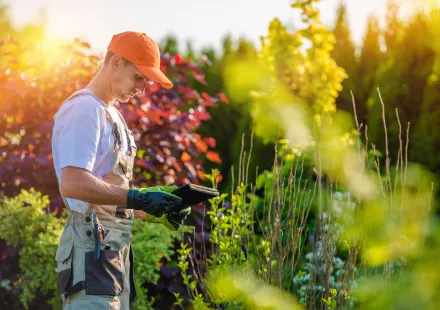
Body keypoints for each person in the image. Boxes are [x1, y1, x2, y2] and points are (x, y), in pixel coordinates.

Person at [51, 31, 191, 310]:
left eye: (147, 81)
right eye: (139, 76)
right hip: (90, 251)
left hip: (113, 255)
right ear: (115, 62)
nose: (142, 87)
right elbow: (73, 183)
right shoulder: (84, 109)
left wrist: (154, 207)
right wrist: (138, 198)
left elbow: (111, 194)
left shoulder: (112, 114)